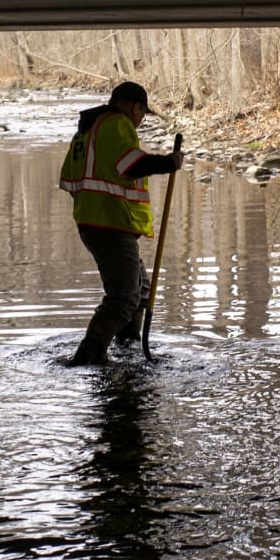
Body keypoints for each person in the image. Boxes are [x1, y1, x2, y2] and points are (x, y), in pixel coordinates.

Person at [59, 80, 184, 365]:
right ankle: (88, 357)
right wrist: (168, 163)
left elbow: (73, 179)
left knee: (140, 290)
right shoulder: (116, 124)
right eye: (142, 113)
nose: (140, 120)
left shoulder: (88, 130)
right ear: (133, 107)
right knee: (124, 296)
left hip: (99, 222)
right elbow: (130, 165)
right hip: (109, 224)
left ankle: (127, 348)